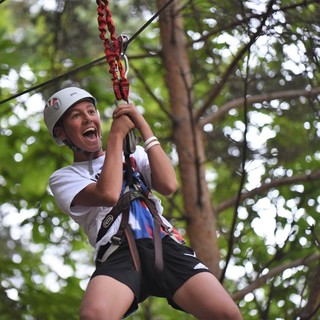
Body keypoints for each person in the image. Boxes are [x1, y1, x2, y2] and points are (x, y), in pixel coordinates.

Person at [43, 86, 243, 320]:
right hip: (119, 250)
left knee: (228, 315)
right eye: (76, 116)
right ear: (62, 134)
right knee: (94, 315)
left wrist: (141, 124)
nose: (88, 118)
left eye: (91, 111)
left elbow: (168, 185)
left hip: (163, 243)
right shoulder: (64, 178)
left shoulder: (134, 154)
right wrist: (116, 136)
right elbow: (107, 193)